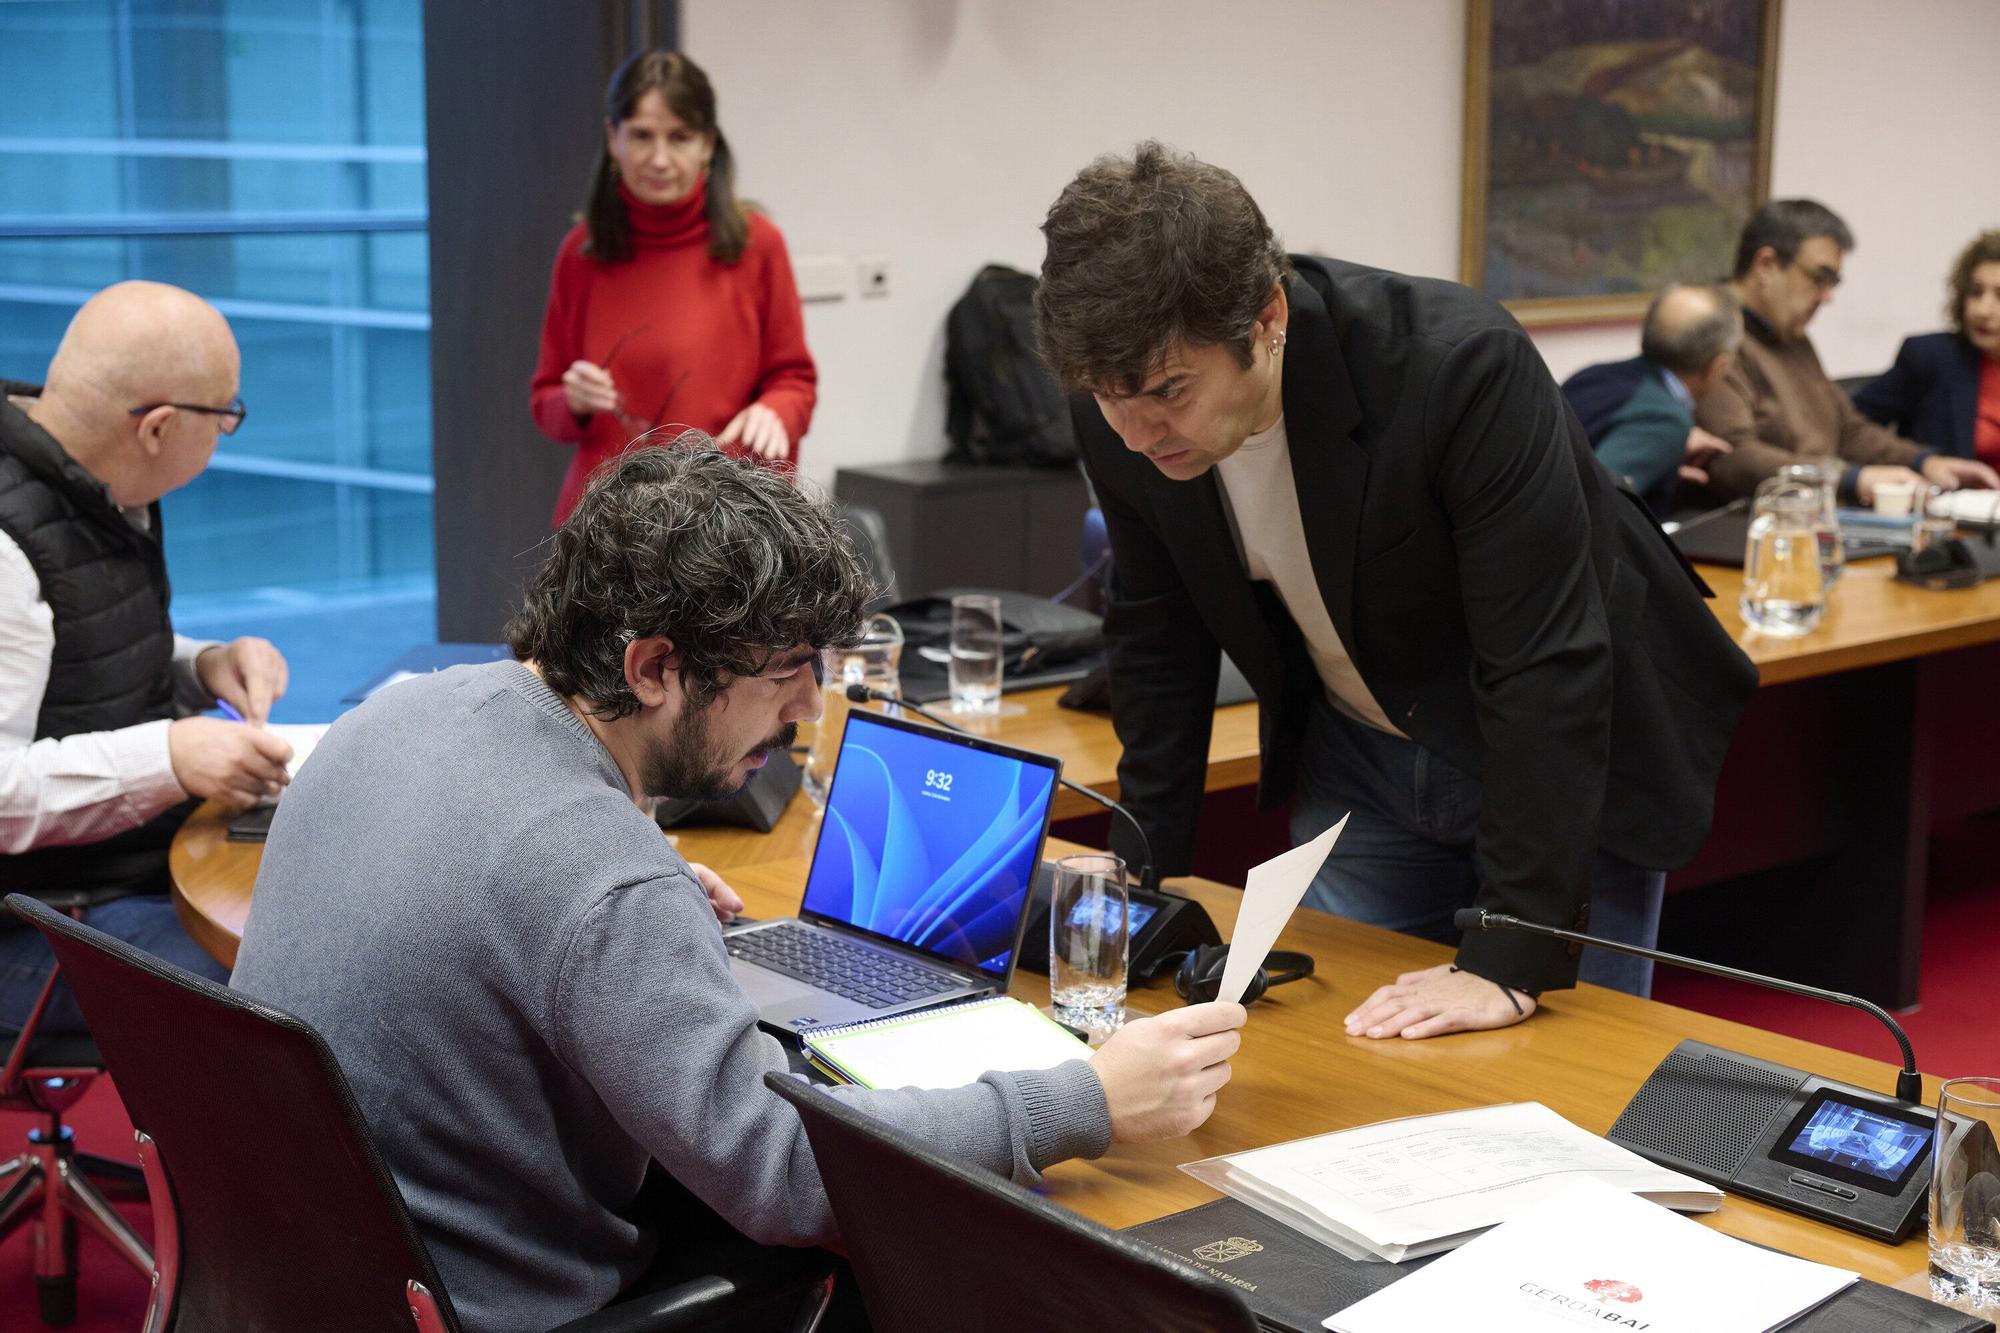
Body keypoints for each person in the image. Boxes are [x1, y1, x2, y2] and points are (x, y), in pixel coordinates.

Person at [228, 441, 1245, 1331]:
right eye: (785, 670)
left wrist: (641, 878)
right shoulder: (599, 878)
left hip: (308, 1280)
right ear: (653, 667)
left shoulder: (399, 715)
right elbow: (786, 1173)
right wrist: (1085, 1097)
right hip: (503, 1308)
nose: (810, 707)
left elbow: (509, 878)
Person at [1033, 143, 1757, 1039]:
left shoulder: (1457, 367)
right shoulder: (1117, 398)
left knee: (1565, 1071)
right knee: (1334, 1047)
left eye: (1170, 391)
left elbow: (1545, 659)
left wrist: (1512, 952)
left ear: (1267, 318)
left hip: (1560, 752)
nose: (1138, 432)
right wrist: (1142, 875)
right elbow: (1156, 628)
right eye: (1110, 399)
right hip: (1364, 752)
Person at [0, 281, 292, 1033]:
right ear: (158, 427)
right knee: (292, 1000)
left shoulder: (95, 479)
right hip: (36, 919)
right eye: (225, 413)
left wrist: (200, 666)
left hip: (109, 871)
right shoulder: (7, 544)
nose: (227, 428)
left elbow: (66, 656)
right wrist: (168, 757)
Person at [529, 50, 816, 524]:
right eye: (642, 136)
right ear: (613, 139)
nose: (659, 159)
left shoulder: (757, 244)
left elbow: (795, 380)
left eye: (679, 137)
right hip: (609, 522)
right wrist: (572, 400)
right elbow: (546, 404)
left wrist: (776, 410)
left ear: (707, 145)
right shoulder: (581, 252)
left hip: (722, 518)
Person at [1697, 200, 1999, 503]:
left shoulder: (1792, 337)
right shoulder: (1714, 334)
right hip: (1756, 520)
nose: (1827, 297)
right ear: (1766, 265)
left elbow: (1848, 430)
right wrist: (1853, 479)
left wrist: (1924, 461)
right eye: (1820, 278)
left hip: (1814, 512)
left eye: (1832, 282)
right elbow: (1734, 457)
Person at [1561, 284, 1740, 518]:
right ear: (1718, 367)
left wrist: (1663, 462)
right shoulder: (1665, 418)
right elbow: (1590, 506)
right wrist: (1665, 436)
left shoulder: (1593, 375)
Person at [1853, 230, 2000, 465]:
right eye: (1975, 292)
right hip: (1946, 489)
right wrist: (1918, 461)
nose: (1983, 310)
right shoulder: (1930, 357)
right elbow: (1847, 427)